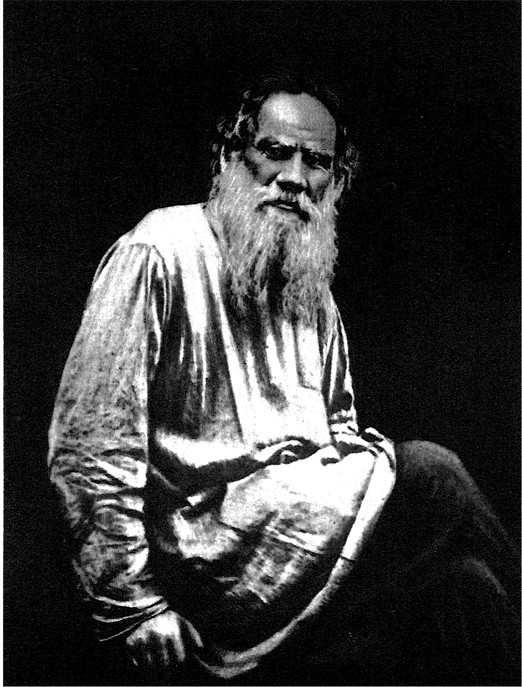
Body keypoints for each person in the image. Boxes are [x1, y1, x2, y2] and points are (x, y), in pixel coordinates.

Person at [48, 73, 519, 686]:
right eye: (275, 152)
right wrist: (131, 603)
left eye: (316, 163)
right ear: (229, 156)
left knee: (468, 587)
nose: (294, 178)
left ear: (335, 182)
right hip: (208, 556)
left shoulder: (311, 290)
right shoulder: (159, 251)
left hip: (303, 549)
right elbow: (90, 448)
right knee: (434, 474)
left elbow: (339, 429)